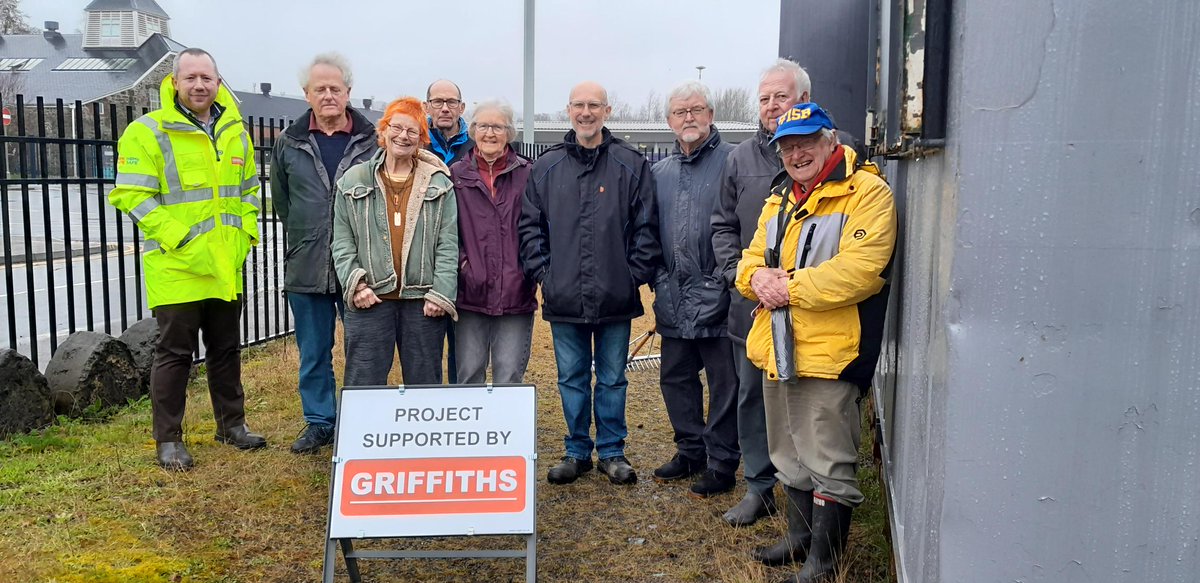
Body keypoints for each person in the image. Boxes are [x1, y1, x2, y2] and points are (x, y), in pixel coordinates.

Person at [736, 103, 896, 582]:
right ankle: (800, 539)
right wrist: (755, 278)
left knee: (827, 455)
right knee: (787, 449)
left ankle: (824, 564)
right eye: (786, 146)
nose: (796, 152)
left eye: (806, 141)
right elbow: (749, 260)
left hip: (831, 351)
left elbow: (862, 271)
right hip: (777, 346)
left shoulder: (866, 192)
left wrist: (788, 288)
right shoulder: (781, 196)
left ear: (830, 140)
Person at [109, 48, 265, 470]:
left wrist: (247, 232)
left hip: (225, 264)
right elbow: (132, 195)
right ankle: (168, 439)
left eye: (207, 78)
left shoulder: (235, 130)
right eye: (191, 77)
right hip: (176, 265)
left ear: (218, 82)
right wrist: (179, 238)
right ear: (175, 82)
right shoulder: (148, 131)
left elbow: (250, 188)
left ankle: (232, 426)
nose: (199, 85)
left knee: (226, 349)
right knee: (175, 354)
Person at [519, 81, 661, 486]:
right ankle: (577, 450)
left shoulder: (630, 164)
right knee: (572, 378)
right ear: (568, 110)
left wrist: (633, 275)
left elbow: (646, 228)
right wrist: (545, 273)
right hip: (564, 296)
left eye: (593, 105)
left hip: (616, 296)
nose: (586, 112)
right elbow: (530, 229)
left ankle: (613, 451)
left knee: (613, 377)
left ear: (607, 110)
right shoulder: (546, 168)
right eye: (579, 105)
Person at [710, 58, 810, 525]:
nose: (771, 106)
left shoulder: (834, 150)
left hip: (812, 306)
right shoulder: (740, 159)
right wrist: (741, 276)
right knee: (751, 398)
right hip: (750, 307)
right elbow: (723, 226)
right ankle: (759, 486)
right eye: (765, 98)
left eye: (781, 96)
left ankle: (807, 490)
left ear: (804, 100)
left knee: (807, 402)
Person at [271, 53, 377, 454]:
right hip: (307, 265)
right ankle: (319, 421)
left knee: (362, 351)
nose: (329, 95)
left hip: (362, 269)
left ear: (349, 91)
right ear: (307, 94)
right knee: (313, 352)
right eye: (321, 89)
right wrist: (307, 236)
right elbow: (283, 202)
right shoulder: (289, 142)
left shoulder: (371, 140)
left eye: (336, 88)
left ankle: (359, 422)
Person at [649, 81, 740, 499]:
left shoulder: (732, 162)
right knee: (676, 377)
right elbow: (647, 232)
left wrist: (726, 280)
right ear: (669, 121)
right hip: (673, 294)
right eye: (680, 111)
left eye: (697, 109)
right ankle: (689, 451)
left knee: (725, 382)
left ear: (711, 115)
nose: (689, 117)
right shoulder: (660, 173)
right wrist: (658, 278)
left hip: (719, 295)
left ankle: (722, 462)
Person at [330, 97, 458, 387]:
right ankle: (362, 432)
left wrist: (441, 293)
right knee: (364, 382)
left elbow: (448, 244)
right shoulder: (353, 180)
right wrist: (356, 285)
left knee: (424, 384)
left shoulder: (439, 183)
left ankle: (424, 433)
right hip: (371, 299)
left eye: (412, 131)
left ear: (421, 139)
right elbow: (342, 240)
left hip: (423, 301)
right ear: (383, 131)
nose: (403, 136)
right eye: (396, 127)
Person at [449, 100, 537, 384]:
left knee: (509, 374)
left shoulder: (528, 174)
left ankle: (506, 428)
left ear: (509, 132)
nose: (490, 133)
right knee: (469, 372)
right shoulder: (455, 175)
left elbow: (538, 228)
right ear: (473, 130)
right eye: (483, 126)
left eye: (497, 126)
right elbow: (446, 230)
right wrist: (464, 265)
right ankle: (472, 430)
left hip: (516, 290)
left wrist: (527, 270)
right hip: (469, 292)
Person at [423, 79, 473, 384]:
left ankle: (460, 412)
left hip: (465, 261)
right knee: (426, 350)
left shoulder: (476, 147)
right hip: (424, 262)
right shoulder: (415, 143)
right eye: (438, 101)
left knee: (463, 349)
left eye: (451, 102)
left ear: (461, 107)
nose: (445, 107)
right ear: (427, 106)